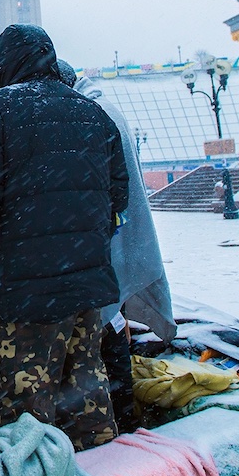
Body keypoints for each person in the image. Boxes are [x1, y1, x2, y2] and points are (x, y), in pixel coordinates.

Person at [0, 24, 129, 451]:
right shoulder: (92, 114)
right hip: (85, 291)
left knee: (26, 423)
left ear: (4, 65)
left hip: (24, 296)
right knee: (88, 406)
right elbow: (117, 201)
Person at [58, 60, 176, 433]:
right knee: (111, 321)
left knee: (106, 327)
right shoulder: (100, 106)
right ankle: (124, 416)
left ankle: (122, 419)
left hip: (106, 236)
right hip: (113, 233)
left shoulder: (94, 112)